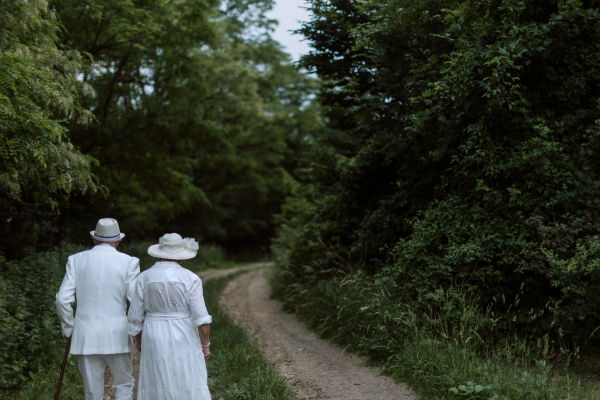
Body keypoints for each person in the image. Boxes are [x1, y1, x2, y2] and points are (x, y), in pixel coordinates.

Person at [56, 218, 140, 400]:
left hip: (85, 334)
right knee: (124, 384)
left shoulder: (76, 260)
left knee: (92, 392)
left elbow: (62, 299)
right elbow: (136, 301)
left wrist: (69, 327)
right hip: (118, 334)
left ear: (94, 239)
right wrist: (136, 329)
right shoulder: (129, 262)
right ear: (118, 241)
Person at [127, 233, 212, 400]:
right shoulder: (191, 278)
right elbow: (201, 317)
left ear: (159, 254)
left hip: (153, 332)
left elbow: (135, 316)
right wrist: (205, 344)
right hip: (184, 332)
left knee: (157, 378)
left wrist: (139, 339)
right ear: (180, 257)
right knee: (186, 375)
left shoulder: (144, 277)